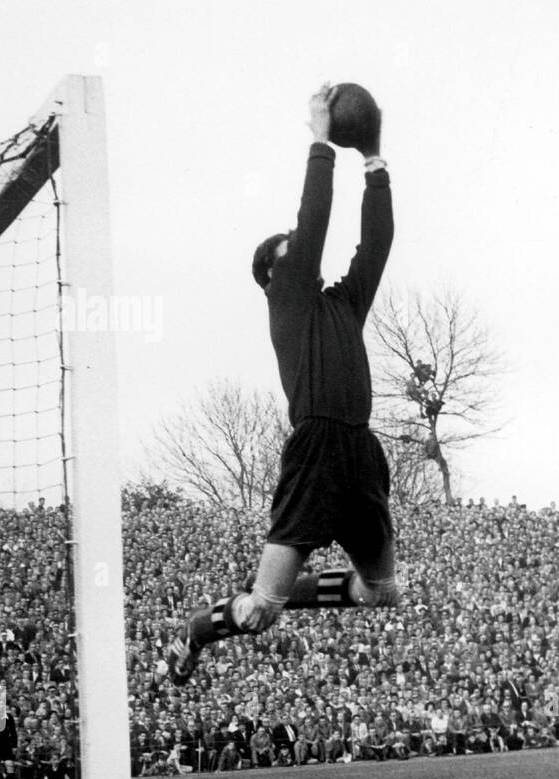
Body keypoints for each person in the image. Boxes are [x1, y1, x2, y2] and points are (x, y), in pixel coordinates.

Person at [167, 82, 398, 685]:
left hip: (360, 449)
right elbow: (314, 222)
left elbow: (376, 245)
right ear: (273, 270)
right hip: (318, 446)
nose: (301, 249)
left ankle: (279, 589)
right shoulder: (287, 297)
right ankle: (200, 628)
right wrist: (320, 142)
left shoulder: (342, 304)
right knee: (259, 611)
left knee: (380, 593)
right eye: (290, 248)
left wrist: (374, 160)